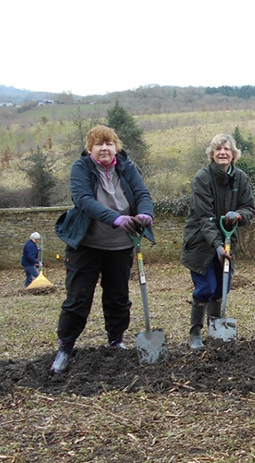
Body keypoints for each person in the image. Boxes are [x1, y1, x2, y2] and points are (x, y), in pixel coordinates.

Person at [50, 125, 155, 374]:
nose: (105, 148)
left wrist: (145, 213)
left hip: (121, 245)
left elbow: (142, 194)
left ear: (115, 146)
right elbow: (83, 199)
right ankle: (65, 347)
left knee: (118, 297)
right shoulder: (81, 168)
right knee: (78, 298)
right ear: (90, 148)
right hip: (87, 244)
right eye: (99, 144)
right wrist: (114, 218)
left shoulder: (127, 167)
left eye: (109, 143)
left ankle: (116, 341)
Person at [181, 134, 255, 350]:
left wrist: (239, 215)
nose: (223, 153)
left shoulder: (240, 178)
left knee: (222, 289)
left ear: (233, 154)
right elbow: (204, 218)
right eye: (218, 149)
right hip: (200, 243)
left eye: (227, 149)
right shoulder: (202, 178)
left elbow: (250, 208)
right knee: (206, 287)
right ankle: (195, 333)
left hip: (227, 239)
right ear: (212, 154)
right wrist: (217, 246)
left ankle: (215, 332)